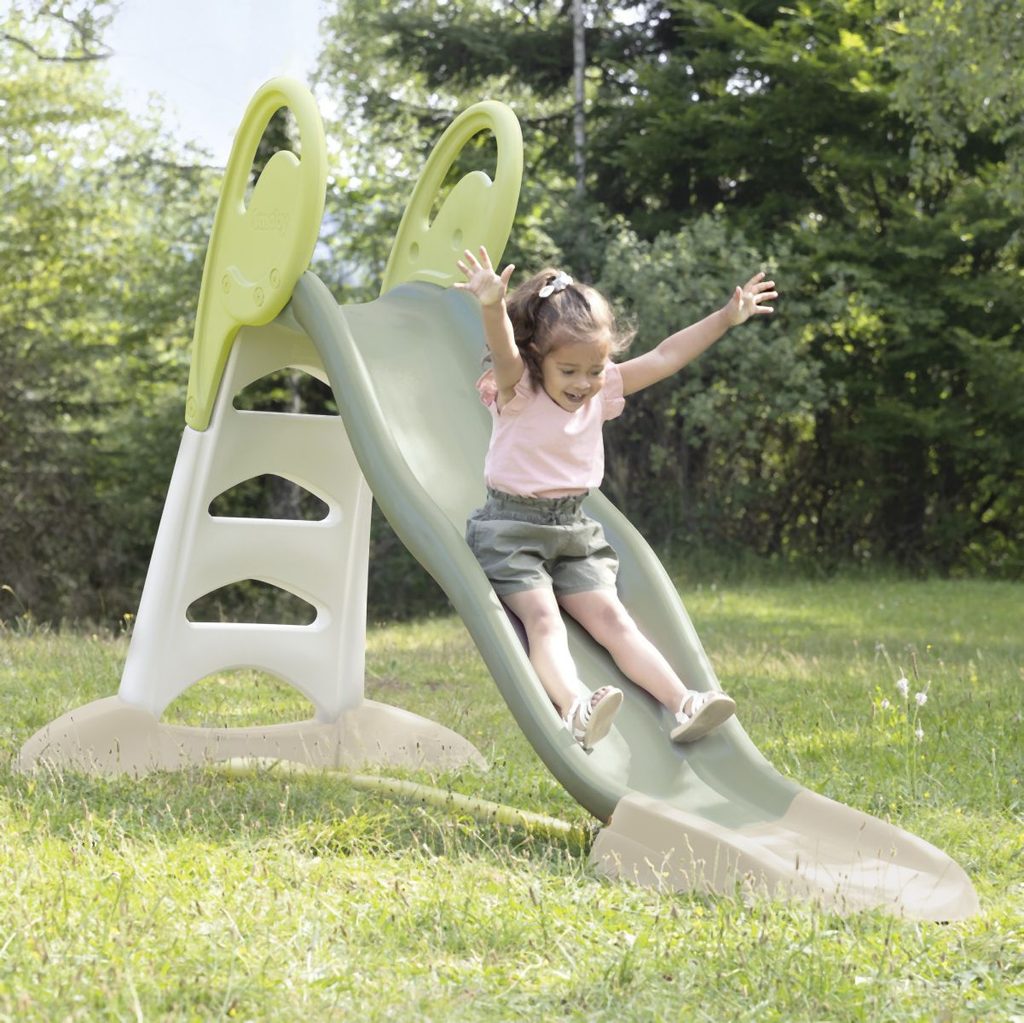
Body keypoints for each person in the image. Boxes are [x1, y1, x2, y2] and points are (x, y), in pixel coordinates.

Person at [455, 246, 777, 750]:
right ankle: (575, 707)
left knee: (613, 619)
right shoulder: (519, 388)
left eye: (595, 369)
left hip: (574, 531)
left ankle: (683, 702)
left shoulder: (603, 388)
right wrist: (493, 304)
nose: (584, 384)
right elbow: (503, 349)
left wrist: (724, 318)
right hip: (511, 531)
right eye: (569, 371)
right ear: (538, 356)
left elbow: (666, 356)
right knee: (543, 619)